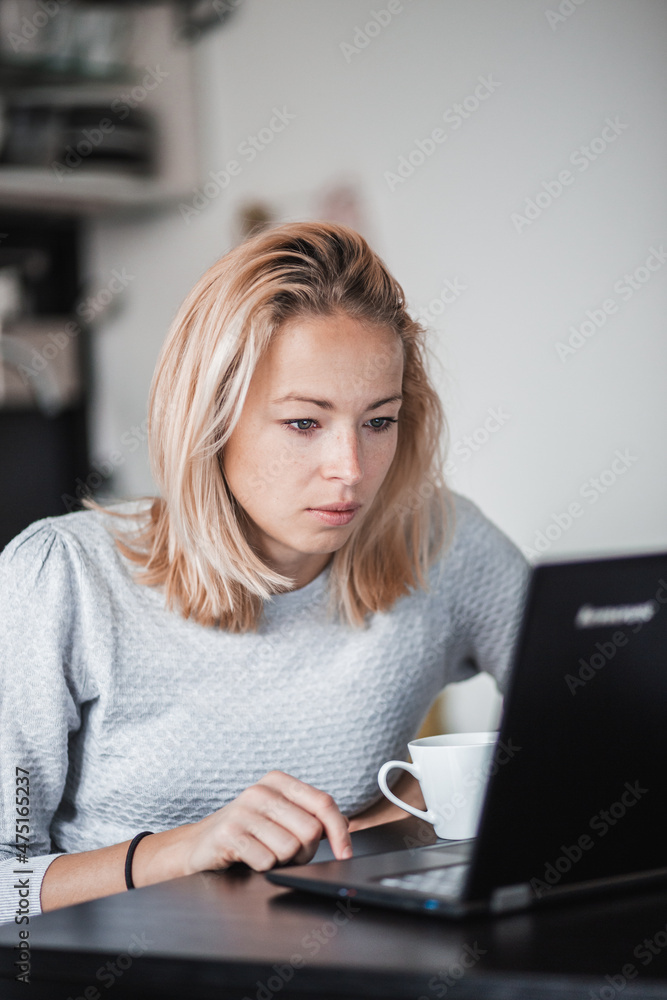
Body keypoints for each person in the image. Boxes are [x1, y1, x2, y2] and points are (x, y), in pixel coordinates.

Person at [0, 221, 529, 924]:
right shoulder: (60, 577)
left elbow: (600, 714)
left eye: (378, 421)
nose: (350, 469)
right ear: (209, 418)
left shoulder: (438, 539)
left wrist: (405, 810)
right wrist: (180, 851)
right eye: (303, 423)